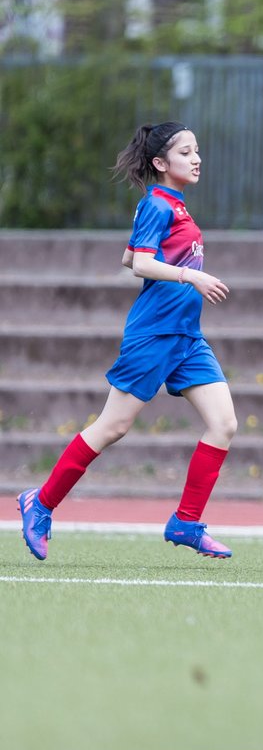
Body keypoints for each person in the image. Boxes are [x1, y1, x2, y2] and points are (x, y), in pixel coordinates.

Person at [17, 122, 237, 561]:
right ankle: (39, 503)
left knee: (224, 424)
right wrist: (190, 274)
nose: (196, 159)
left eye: (197, 151)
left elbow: (128, 253)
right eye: (185, 152)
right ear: (160, 163)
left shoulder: (171, 206)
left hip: (186, 339)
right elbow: (138, 264)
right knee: (112, 427)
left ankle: (186, 523)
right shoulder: (159, 204)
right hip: (153, 334)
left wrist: (164, 259)